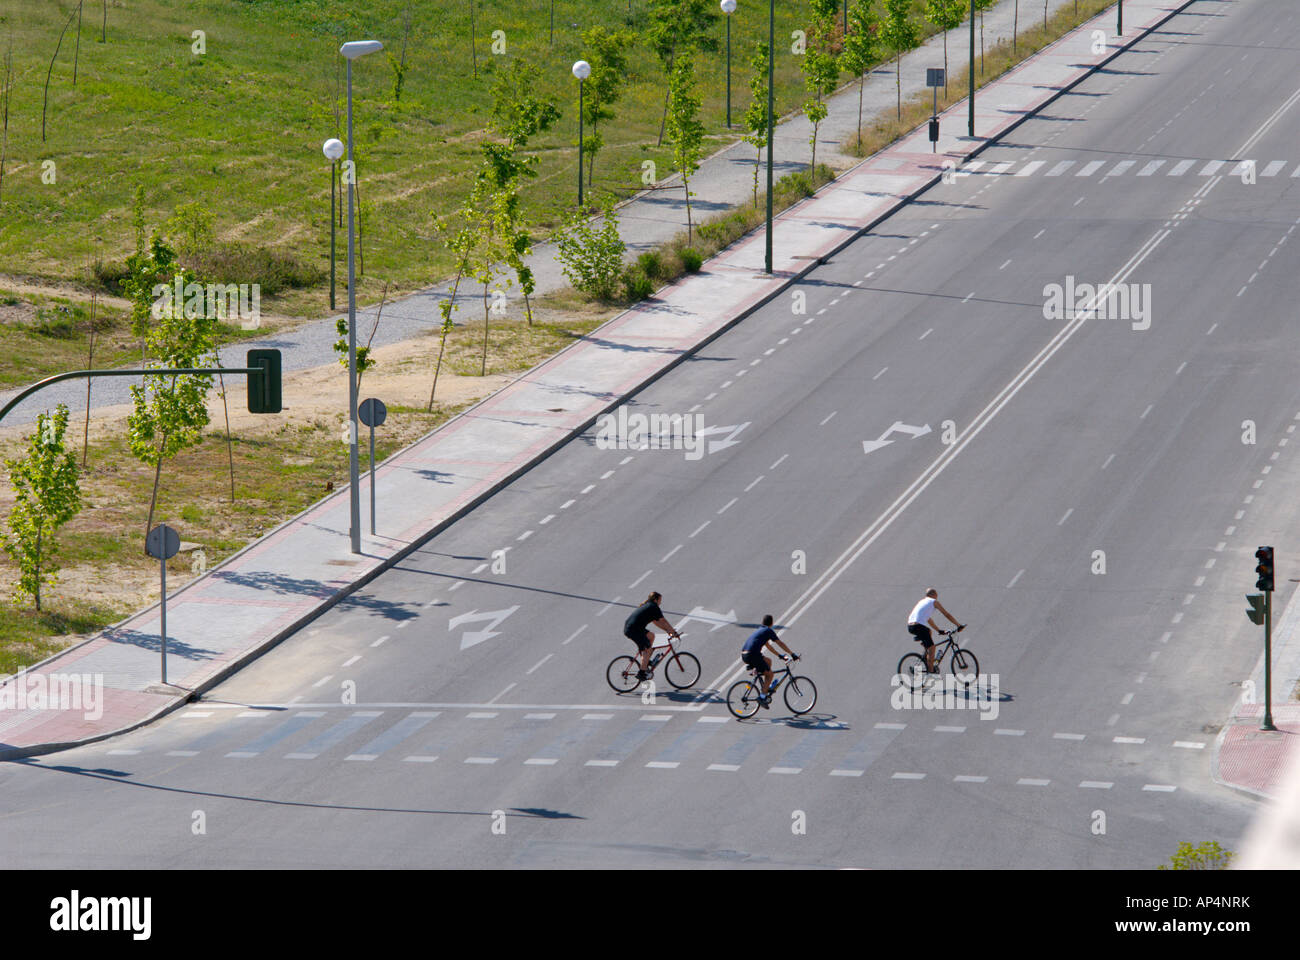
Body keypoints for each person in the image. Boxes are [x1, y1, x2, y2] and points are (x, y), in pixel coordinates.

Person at [740, 615, 798, 709]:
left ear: (763, 622)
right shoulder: (768, 630)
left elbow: (769, 646)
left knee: (768, 661)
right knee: (770, 675)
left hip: (745, 655)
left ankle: (764, 684)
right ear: (771, 623)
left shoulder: (761, 630)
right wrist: (792, 654)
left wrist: (779, 655)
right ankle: (762, 697)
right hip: (753, 655)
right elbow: (779, 643)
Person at [623, 591, 681, 679]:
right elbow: (663, 621)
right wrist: (673, 632)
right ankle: (641, 673)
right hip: (633, 630)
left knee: (651, 636)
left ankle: (645, 662)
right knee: (647, 649)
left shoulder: (649, 606)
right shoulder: (654, 607)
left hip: (633, 628)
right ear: (655, 599)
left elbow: (656, 622)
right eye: (660, 600)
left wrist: (667, 631)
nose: (660, 602)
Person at [907, 588, 964, 673]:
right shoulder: (933, 602)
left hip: (911, 626)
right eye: (936, 595)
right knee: (932, 647)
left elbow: (928, 619)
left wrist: (938, 630)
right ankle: (930, 672)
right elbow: (946, 614)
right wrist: (958, 625)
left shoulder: (922, 602)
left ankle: (927, 656)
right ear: (934, 595)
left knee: (929, 632)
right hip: (918, 626)